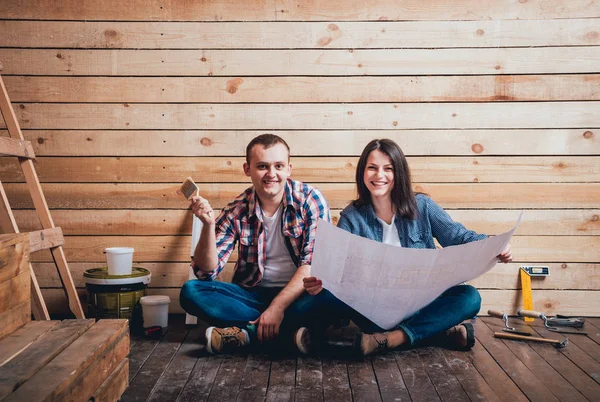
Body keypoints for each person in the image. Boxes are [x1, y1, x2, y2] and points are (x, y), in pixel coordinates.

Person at [303, 139, 513, 356]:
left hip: (425, 302)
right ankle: (438, 332)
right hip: (378, 310)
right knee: (318, 302)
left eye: (388, 169)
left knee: (469, 297)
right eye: (372, 168)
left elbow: (459, 236)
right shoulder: (352, 217)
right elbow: (339, 270)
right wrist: (322, 282)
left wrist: (494, 245)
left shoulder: (422, 206)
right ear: (362, 172)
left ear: (399, 173)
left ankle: (390, 339)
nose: (379, 176)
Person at [179, 134, 330, 354]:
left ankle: (247, 333)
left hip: (299, 297)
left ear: (289, 168)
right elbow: (206, 272)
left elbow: (311, 264)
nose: (271, 174)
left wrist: (277, 308)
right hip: (252, 298)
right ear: (247, 169)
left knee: (330, 297)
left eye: (278, 166)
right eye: (262, 166)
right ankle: (289, 335)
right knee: (191, 291)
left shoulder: (310, 200)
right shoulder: (236, 210)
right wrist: (208, 225)